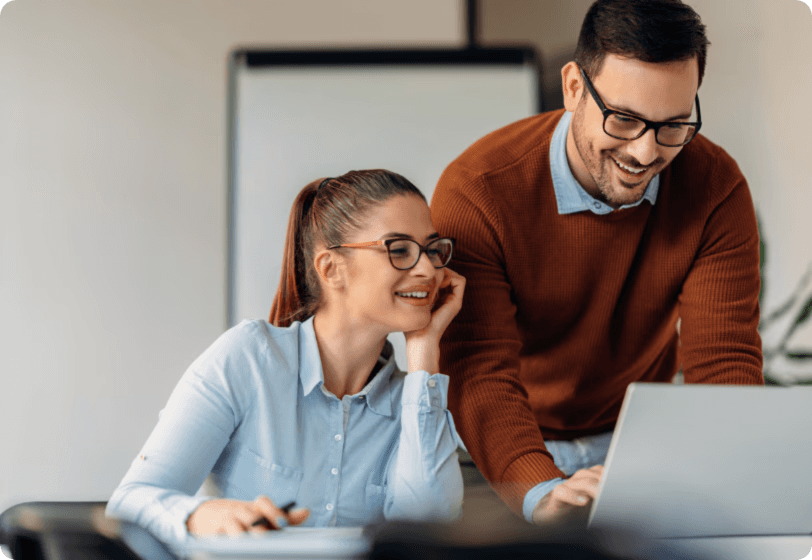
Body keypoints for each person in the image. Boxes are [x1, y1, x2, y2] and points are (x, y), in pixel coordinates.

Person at [430, 0, 763, 527]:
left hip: (634, 451)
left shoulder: (715, 188)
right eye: (625, 119)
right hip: (498, 455)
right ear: (573, 88)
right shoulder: (479, 193)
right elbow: (478, 369)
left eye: (674, 124)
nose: (646, 152)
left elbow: (723, 362)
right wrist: (541, 490)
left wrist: (727, 483)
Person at [106, 170, 465, 555]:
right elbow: (131, 503)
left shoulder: (415, 402)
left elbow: (429, 535)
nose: (428, 269)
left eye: (432, 250)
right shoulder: (248, 359)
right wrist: (200, 515)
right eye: (399, 250)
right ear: (330, 269)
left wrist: (425, 353)